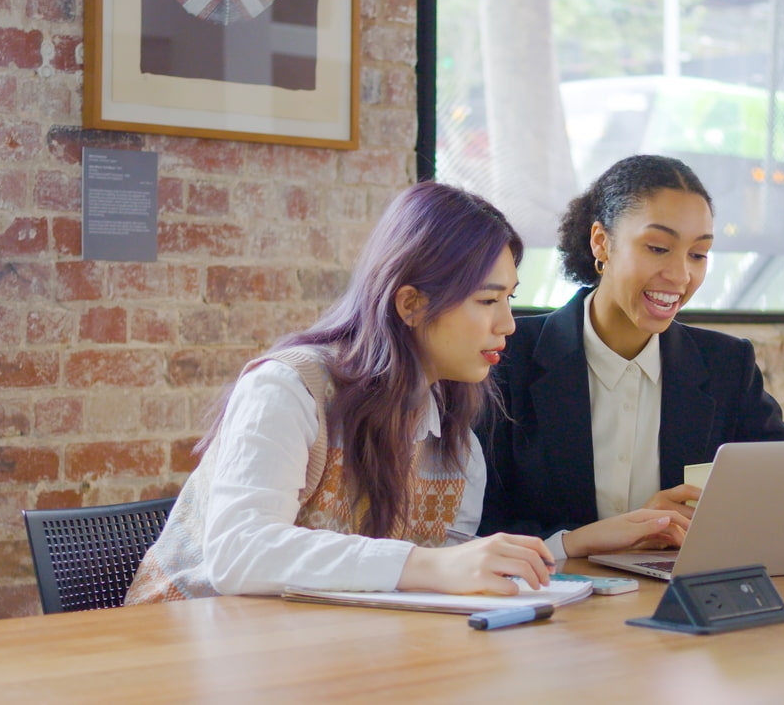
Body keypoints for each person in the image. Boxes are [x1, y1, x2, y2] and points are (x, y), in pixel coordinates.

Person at [126, 181, 556, 604]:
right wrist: (429, 566)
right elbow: (240, 551)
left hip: (314, 651)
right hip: (178, 647)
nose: (508, 324)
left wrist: (558, 550)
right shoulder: (287, 390)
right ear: (410, 304)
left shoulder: (455, 441)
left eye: (510, 299)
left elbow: (444, 574)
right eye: (487, 301)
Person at [477, 154, 784, 560]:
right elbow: (478, 523)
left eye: (698, 255)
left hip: (679, 597)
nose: (681, 275)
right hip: (551, 601)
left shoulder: (726, 365)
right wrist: (605, 535)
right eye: (658, 247)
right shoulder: (505, 358)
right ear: (602, 242)